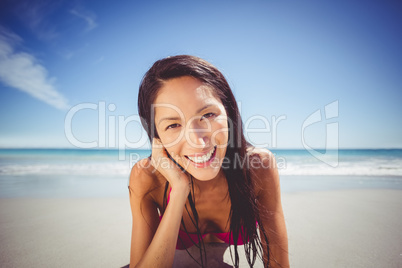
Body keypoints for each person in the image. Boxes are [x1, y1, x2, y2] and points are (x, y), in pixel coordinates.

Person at [129, 55, 289, 267]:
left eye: (208, 114)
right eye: (173, 125)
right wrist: (178, 191)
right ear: (156, 136)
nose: (198, 140)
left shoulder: (258, 168)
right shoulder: (148, 179)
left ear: (228, 112)